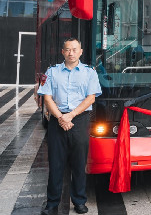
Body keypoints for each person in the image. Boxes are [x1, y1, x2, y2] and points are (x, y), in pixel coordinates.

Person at [39, 38, 102, 215]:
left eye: (75, 49)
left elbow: (91, 98)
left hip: (79, 121)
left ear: (81, 52)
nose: (71, 53)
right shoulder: (52, 72)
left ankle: (79, 201)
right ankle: (52, 204)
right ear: (62, 52)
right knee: (56, 164)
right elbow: (47, 97)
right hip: (57, 121)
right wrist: (60, 117)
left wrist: (71, 116)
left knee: (78, 164)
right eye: (68, 49)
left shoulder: (90, 72)